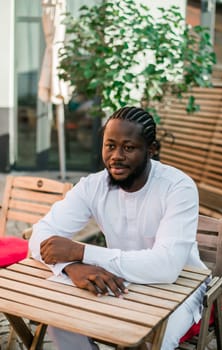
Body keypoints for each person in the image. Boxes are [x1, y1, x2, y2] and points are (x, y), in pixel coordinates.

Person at [29, 106, 208, 350]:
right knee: (59, 319)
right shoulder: (93, 186)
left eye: (129, 147)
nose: (116, 156)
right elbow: (40, 236)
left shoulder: (178, 187)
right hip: (118, 279)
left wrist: (81, 252)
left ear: (151, 150)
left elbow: (166, 267)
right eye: (110, 145)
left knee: (151, 340)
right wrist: (70, 266)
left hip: (180, 287)